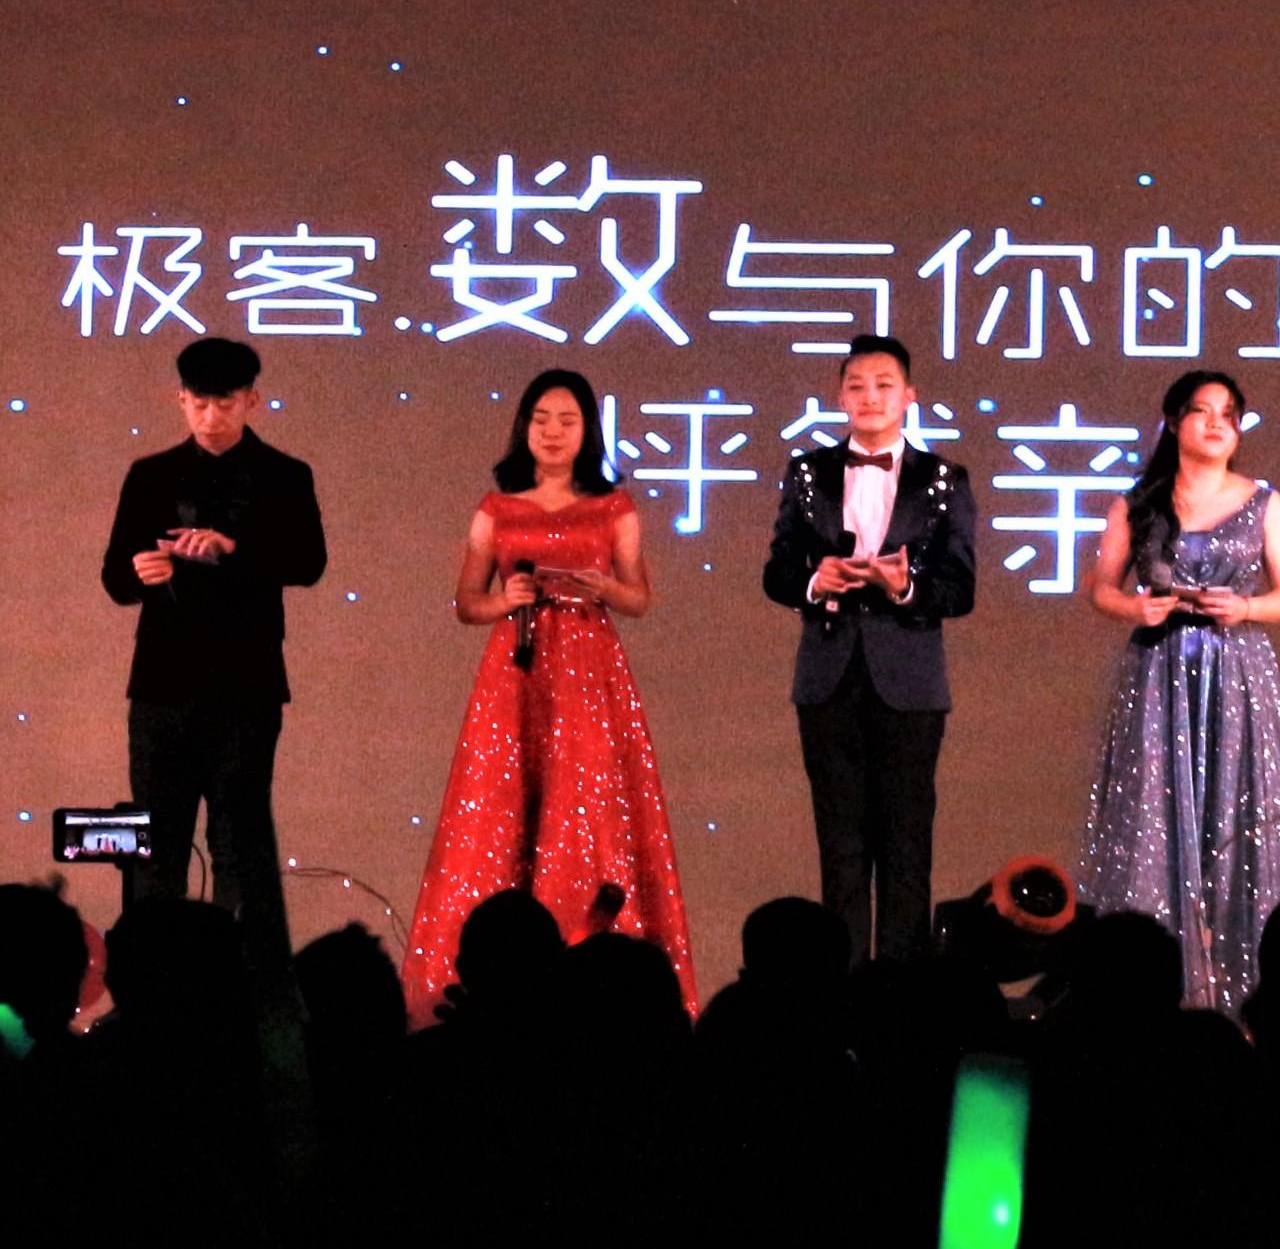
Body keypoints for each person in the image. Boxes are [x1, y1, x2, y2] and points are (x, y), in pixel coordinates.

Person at [404, 368, 698, 1008]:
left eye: (567, 421)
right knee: (502, 805)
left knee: (584, 804)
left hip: (588, 669)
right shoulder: (497, 507)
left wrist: (604, 587)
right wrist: (504, 598)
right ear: (524, 428)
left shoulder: (613, 507)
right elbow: (466, 602)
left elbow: (639, 598)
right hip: (516, 666)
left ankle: (585, 957)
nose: (553, 432)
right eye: (541, 420)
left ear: (588, 430)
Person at [1075, 365, 1280, 1007]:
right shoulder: (1139, 504)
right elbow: (1100, 587)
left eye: (1227, 415)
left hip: (1237, 672)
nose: (1215, 424)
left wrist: (1246, 608)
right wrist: (1135, 608)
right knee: (1155, 821)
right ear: (1174, 421)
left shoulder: (1265, 502)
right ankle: (1151, 991)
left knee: (1238, 816)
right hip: (1158, 672)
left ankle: (1243, 991)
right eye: (1201, 411)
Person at [100, 332, 328, 960]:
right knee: (158, 843)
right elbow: (114, 577)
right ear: (180, 400)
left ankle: (241, 981)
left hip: (246, 685)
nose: (210, 417)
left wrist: (232, 550)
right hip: (162, 685)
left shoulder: (284, 476)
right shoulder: (150, 475)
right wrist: (140, 572)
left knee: (239, 842)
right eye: (198, 404)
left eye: (224, 404)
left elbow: (309, 563)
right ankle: (153, 977)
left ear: (252, 400)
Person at [761, 333, 980, 964]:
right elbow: (777, 571)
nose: (870, 397)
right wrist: (815, 580)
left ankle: (901, 996)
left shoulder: (944, 479)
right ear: (839, 396)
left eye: (884, 385)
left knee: (906, 847)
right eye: (856, 385)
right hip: (828, 675)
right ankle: (844, 990)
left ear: (910, 396)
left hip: (909, 681)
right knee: (841, 847)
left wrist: (903, 585)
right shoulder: (809, 472)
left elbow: (959, 588)